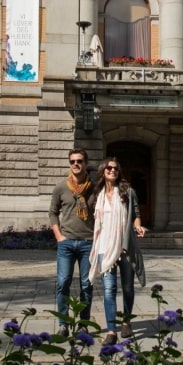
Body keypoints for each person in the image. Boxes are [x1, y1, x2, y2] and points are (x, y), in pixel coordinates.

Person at [89, 157, 146, 345]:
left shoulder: (127, 192)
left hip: (125, 246)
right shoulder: (97, 194)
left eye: (115, 168)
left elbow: (136, 214)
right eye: (109, 168)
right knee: (108, 290)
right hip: (104, 247)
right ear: (102, 171)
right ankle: (112, 331)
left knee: (128, 287)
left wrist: (138, 226)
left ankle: (126, 321)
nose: (112, 171)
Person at [49, 148, 98, 334]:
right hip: (66, 243)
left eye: (79, 161)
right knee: (63, 282)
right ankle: (63, 323)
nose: (75, 164)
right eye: (72, 161)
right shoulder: (61, 187)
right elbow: (52, 212)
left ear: (85, 163)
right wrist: (59, 236)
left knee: (87, 284)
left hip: (88, 243)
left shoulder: (94, 187)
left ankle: (84, 324)